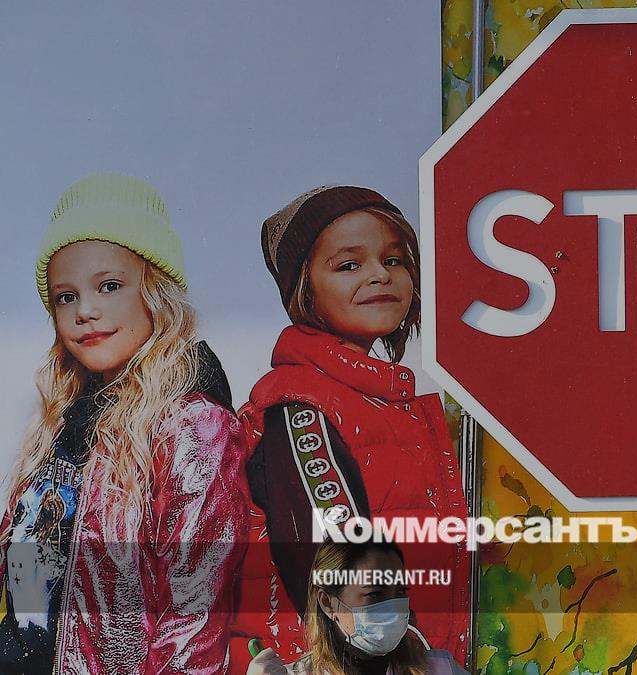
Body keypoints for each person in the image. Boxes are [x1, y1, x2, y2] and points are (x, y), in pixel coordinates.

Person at [0, 173, 249, 673]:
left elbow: (192, 629)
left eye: (108, 286)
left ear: (154, 292)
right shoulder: (59, 428)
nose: (85, 311)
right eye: (65, 296)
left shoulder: (191, 427)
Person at [230, 186, 469, 671]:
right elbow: (336, 575)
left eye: (394, 260)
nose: (380, 274)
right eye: (348, 265)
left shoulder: (390, 406)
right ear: (304, 290)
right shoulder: (300, 405)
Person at [246, 541, 468, 675]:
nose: (394, 608)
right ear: (328, 603)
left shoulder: (440, 669)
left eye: (400, 591)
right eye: (375, 594)